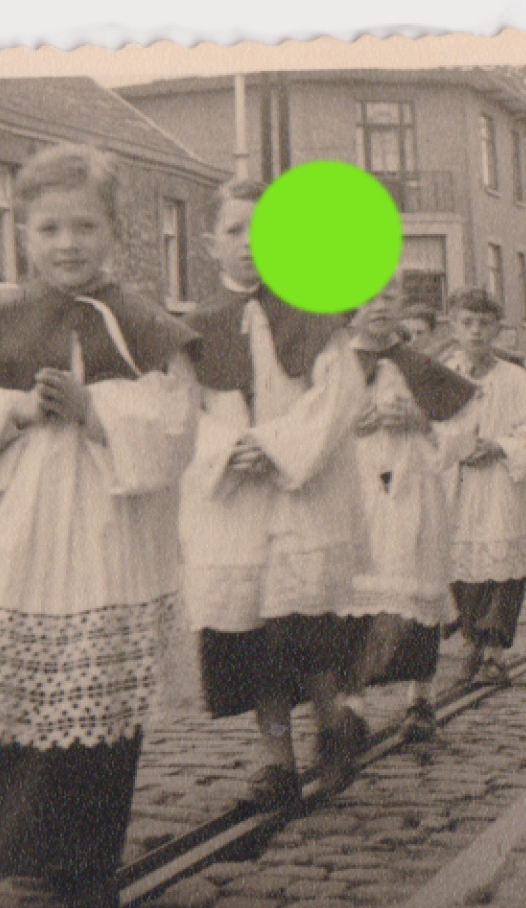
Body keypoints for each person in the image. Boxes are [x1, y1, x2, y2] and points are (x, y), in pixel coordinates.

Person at [0, 142, 200, 908]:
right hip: (21, 530)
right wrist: (11, 409)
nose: (66, 244)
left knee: (95, 714)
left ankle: (86, 863)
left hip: (105, 529)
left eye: (83, 226)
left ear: (114, 232)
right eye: (48, 229)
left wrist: (97, 410)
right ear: (23, 236)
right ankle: (23, 846)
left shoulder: (141, 327)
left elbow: (175, 427)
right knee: (17, 693)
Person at [180, 178, 368, 809]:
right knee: (255, 636)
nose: (249, 244)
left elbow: (338, 399)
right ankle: (276, 761)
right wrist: (230, 447)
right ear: (211, 243)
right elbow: (180, 411)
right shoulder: (195, 329)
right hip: (235, 498)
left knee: (306, 625)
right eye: (234, 230)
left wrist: (280, 445)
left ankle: (334, 723)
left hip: (300, 493)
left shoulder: (316, 315)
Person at [344, 277, 479, 743]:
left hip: (413, 493)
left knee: (419, 590)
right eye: (368, 297)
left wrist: (422, 421)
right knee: (354, 602)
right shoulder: (333, 365)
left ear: (401, 304)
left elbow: (464, 426)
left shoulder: (419, 365)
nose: (379, 306)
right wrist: (345, 425)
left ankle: (420, 698)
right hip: (356, 496)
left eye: (388, 297)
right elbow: (304, 426)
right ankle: (352, 707)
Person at [441, 288, 526, 687]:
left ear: (497, 329)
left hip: (501, 482)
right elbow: (432, 427)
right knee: (462, 562)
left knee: (503, 565)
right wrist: (457, 447)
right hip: (459, 481)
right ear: (453, 326)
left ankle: (496, 649)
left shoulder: (513, 378)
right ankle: (471, 638)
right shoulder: (446, 373)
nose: (476, 332)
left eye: (484, 324)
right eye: (467, 323)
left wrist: (500, 445)